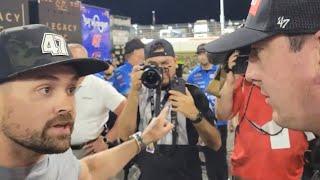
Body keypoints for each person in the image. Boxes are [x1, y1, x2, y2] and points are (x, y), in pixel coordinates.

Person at [0, 24, 173, 179]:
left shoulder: (51, 153)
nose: (67, 106)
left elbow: (88, 171)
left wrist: (145, 138)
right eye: (46, 89)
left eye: (71, 89)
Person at [117, 39, 221, 180]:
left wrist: (194, 115)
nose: (160, 70)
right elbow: (124, 136)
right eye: (153, 65)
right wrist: (134, 91)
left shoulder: (192, 93)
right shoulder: (139, 94)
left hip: (186, 174)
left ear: (175, 61)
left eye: (165, 64)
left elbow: (215, 144)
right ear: (144, 66)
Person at [214, 50, 309, 180]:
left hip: (291, 171)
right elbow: (221, 113)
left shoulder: (300, 67)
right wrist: (225, 70)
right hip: (247, 171)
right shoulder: (244, 75)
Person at [67, 43, 127, 159]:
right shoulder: (57, 85)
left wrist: (107, 140)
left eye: (80, 61)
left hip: (88, 152)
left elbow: (125, 110)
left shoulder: (100, 86)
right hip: (56, 153)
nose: (76, 66)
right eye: (71, 61)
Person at [187, 43, 228, 180]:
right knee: (209, 158)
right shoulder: (193, 75)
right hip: (204, 123)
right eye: (199, 53)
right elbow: (190, 101)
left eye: (204, 52)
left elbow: (228, 95)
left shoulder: (220, 72)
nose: (202, 56)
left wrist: (233, 118)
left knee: (221, 157)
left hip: (221, 121)